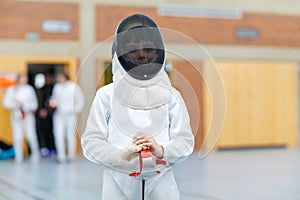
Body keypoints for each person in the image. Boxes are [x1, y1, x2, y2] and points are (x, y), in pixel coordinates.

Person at [81, 14, 194, 199]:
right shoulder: (106, 95)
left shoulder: (172, 96)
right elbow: (91, 142)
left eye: (148, 48)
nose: (142, 54)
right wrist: (120, 155)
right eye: (134, 49)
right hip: (117, 181)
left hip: (162, 181)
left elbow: (185, 141)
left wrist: (162, 151)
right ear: (120, 53)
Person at [2, 72, 40, 163]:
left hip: (28, 116)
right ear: (19, 78)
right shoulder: (12, 89)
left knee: (31, 136)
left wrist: (27, 106)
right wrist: (15, 103)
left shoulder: (29, 89)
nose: (25, 79)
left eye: (25, 78)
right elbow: (5, 103)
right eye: (23, 77)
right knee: (17, 137)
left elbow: (35, 104)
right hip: (16, 116)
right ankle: (18, 156)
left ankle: (35, 154)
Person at [50, 72, 85, 163]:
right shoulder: (57, 87)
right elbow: (54, 98)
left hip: (71, 115)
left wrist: (75, 110)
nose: (59, 79)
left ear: (65, 77)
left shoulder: (74, 87)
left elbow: (80, 100)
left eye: (61, 77)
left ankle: (71, 155)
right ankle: (61, 156)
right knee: (58, 134)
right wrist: (53, 102)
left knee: (70, 135)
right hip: (59, 115)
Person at [36, 73, 56, 156]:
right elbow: (41, 101)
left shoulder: (54, 88)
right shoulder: (41, 89)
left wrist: (48, 110)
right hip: (42, 114)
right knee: (42, 130)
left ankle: (53, 148)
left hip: (52, 114)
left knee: (51, 130)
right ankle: (44, 147)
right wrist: (42, 110)